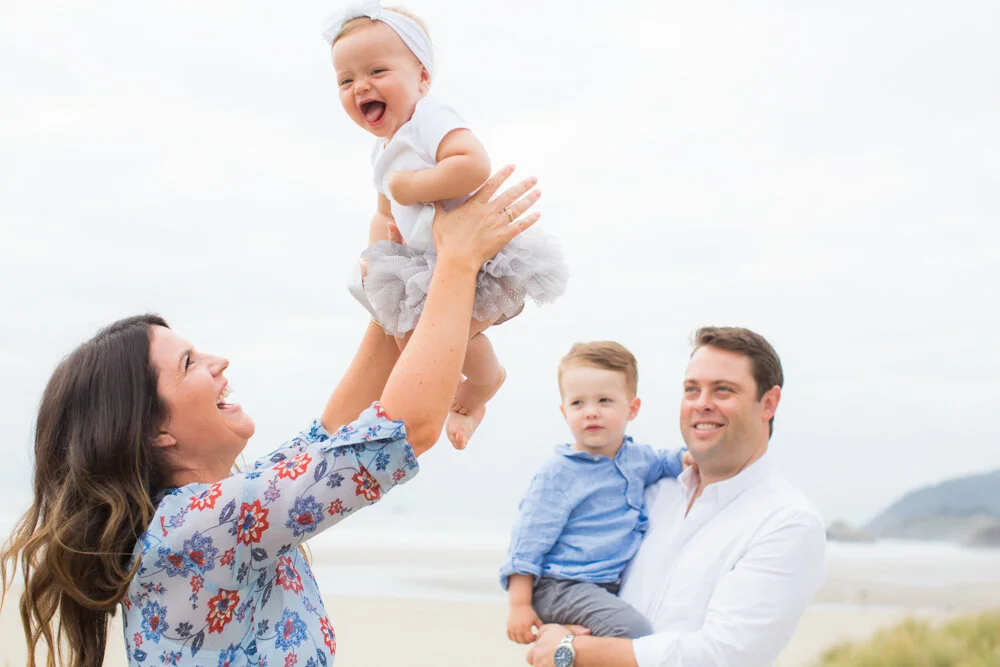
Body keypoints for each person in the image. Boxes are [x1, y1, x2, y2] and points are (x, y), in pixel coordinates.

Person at [0, 167, 539, 667]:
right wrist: (458, 263)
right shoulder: (196, 526)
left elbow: (333, 433)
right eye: (189, 364)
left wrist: (405, 262)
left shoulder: (216, 508)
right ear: (154, 431)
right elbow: (399, 432)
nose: (219, 363)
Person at [321, 1, 568, 449]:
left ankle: (486, 380)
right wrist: (376, 258)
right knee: (411, 343)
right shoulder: (382, 152)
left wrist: (414, 185)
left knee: (431, 339)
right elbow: (383, 213)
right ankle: (464, 398)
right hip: (424, 265)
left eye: (377, 71)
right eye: (346, 79)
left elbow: (473, 164)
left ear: (422, 78)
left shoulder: (429, 120)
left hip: (474, 257)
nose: (361, 87)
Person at [526, 327, 827, 667]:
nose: (702, 404)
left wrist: (572, 651)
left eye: (723, 390)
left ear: (768, 403)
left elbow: (721, 656)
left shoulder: (787, 522)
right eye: (691, 390)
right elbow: (573, 576)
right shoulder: (647, 491)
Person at [501, 342, 688, 644]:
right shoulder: (558, 474)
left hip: (604, 585)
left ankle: (565, 637)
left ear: (633, 408)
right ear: (564, 412)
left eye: (604, 400)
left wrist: (689, 459)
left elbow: (667, 461)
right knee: (634, 632)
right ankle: (561, 638)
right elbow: (527, 543)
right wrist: (519, 605)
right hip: (561, 585)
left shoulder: (638, 459)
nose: (591, 412)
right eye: (578, 404)